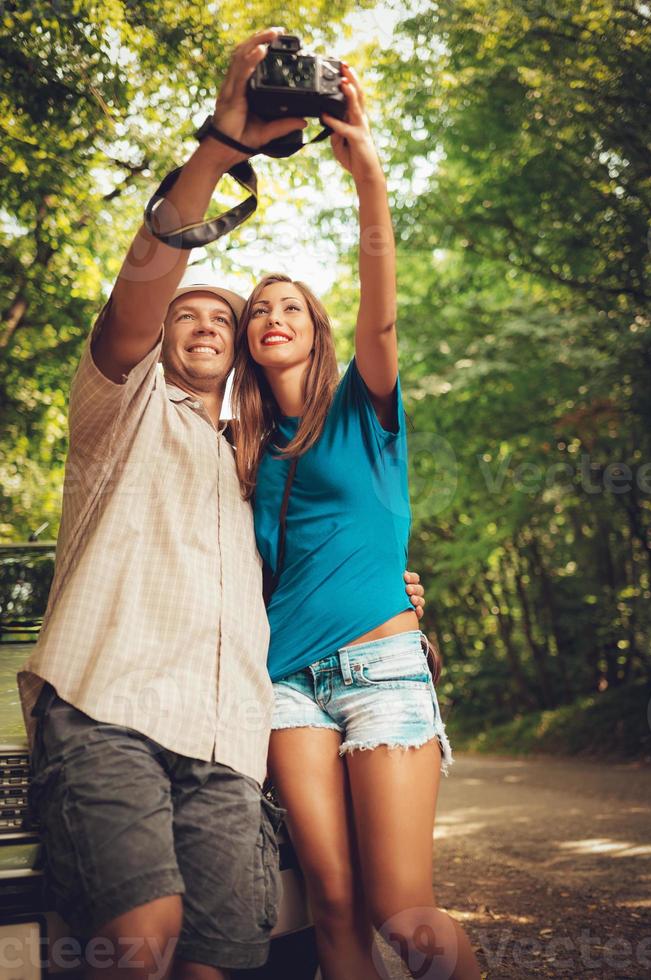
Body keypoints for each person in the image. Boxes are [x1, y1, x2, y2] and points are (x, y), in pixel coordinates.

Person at [17, 29, 425, 980]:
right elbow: (140, 289)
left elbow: (319, 547)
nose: (205, 323)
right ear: (161, 338)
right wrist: (221, 149)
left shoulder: (254, 467)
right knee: (144, 937)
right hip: (110, 703)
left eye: (224, 319)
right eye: (187, 315)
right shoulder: (117, 409)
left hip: (230, 736)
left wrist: (386, 586)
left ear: (244, 354)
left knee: (220, 958)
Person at [231, 66, 482, 980]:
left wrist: (367, 173)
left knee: (405, 914)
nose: (272, 315)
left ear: (319, 328)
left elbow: (385, 305)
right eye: (259, 309)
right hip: (285, 684)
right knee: (329, 907)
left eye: (290, 306)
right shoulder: (242, 453)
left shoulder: (363, 406)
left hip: (381, 668)